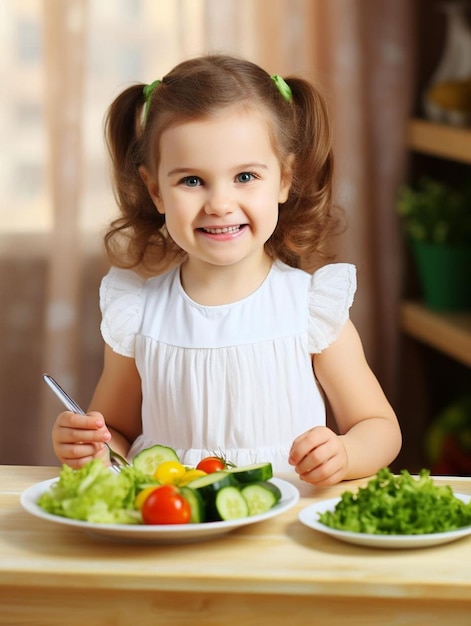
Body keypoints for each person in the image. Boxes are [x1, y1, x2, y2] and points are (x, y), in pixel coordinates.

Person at [52, 54, 401, 486]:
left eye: (245, 176)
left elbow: (380, 428)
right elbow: (118, 435)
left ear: (285, 180)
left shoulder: (310, 309)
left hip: (283, 535)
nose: (219, 204)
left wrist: (345, 453)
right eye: (192, 181)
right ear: (155, 190)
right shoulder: (137, 316)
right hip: (172, 529)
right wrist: (91, 449)